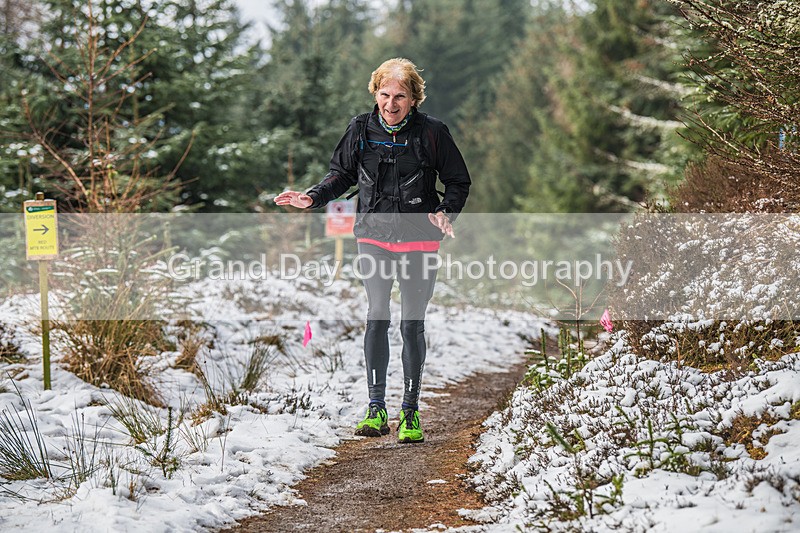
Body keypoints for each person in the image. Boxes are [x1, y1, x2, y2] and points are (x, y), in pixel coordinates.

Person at [275, 58, 471, 443]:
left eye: (400, 96)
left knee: (412, 322)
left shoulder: (433, 133)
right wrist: (312, 197)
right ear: (375, 93)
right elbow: (341, 175)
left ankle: (410, 412)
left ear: (414, 98)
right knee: (377, 313)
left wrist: (448, 211)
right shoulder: (360, 129)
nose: (391, 103)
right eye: (385, 94)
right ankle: (376, 407)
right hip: (374, 236)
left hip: (419, 237)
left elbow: (457, 181)